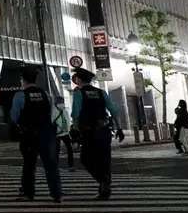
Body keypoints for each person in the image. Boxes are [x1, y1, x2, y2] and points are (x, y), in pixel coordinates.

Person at [9, 67, 62, 203]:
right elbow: (52, 113)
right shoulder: (45, 94)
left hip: (29, 134)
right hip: (46, 133)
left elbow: (14, 117)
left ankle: (28, 193)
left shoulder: (20, 96)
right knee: (50, 164)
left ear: (23, 80)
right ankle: (56, 193)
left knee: (29, 164)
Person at [70, 68, 122, 200]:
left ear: (79, 80)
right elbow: (113, 110)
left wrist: (75, 129)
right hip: (104, 130)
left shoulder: (79, 93)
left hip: (89, 132)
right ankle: (105, 189)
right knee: (105, 160)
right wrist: (119, 128)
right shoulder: (101, 92)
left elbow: (76, 113)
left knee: (86, 159)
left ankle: (103, 181)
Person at [53, 97, 75, 170]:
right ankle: (55, 166)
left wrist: (68, 130)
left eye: (62, 102)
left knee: (70, 149)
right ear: (56, 103)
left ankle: (71, 165)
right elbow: (51, 122)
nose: (62, 104)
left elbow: (68, 120)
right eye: (60, 102)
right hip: (57, 134)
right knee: (56, 150)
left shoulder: (65, 111)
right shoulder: (53, 112)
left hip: (65, 133)